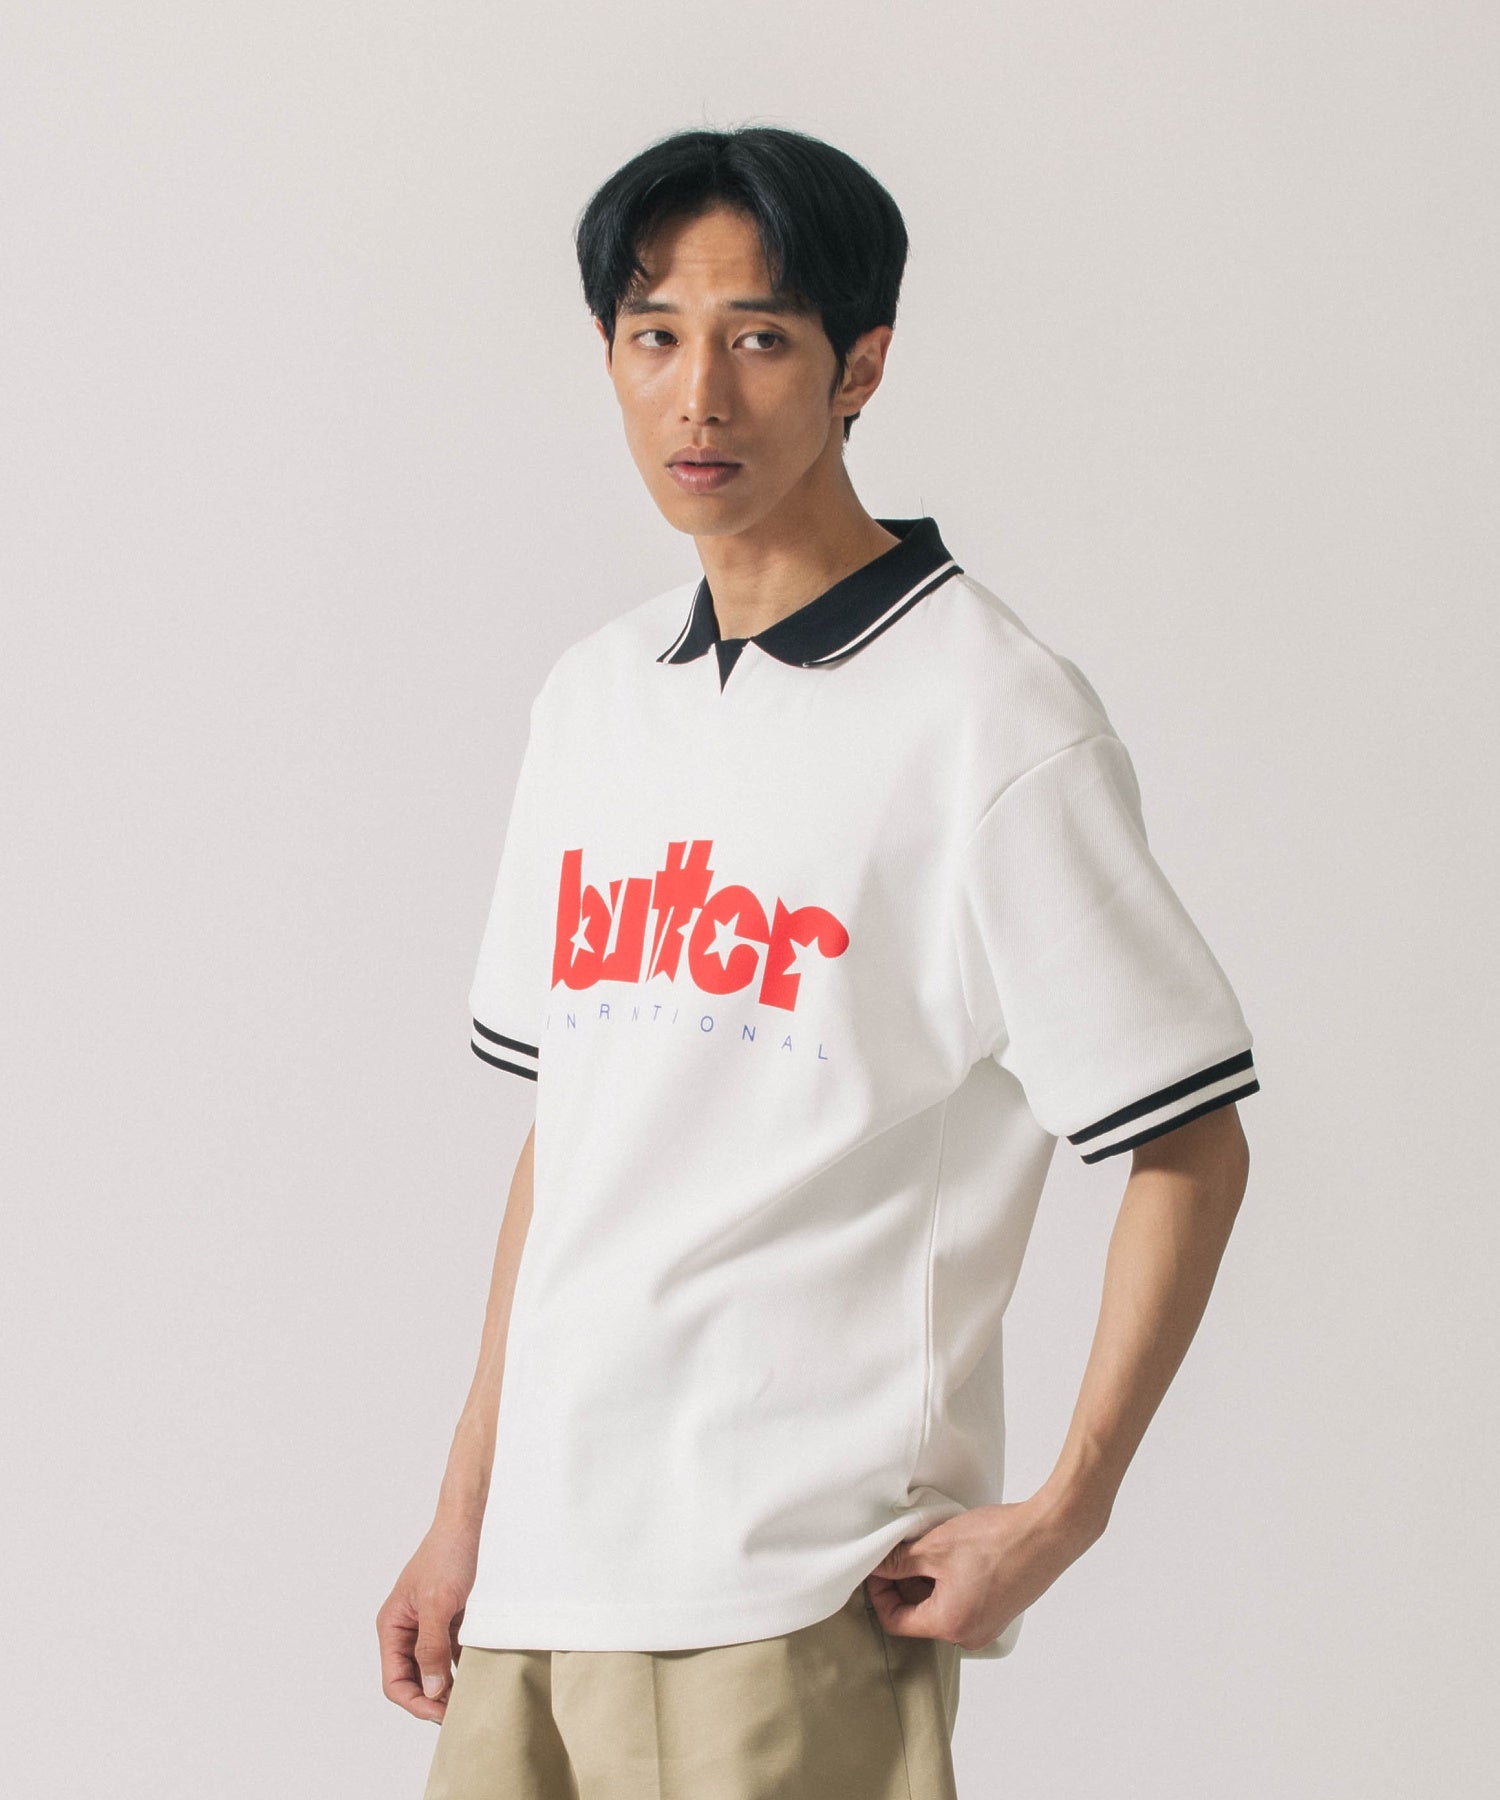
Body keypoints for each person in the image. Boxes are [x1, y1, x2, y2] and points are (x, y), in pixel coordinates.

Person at [377, 123, 1259, 1800]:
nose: (698, 396)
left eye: (761, 338)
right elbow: (575, 1140)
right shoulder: (594, 701)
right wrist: (465, 1511)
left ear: (861, 366)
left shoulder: (989, 716)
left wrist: (1064, 1512)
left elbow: (1190, 1138)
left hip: (791, 1589)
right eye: (655, 336)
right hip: (542, 1587)